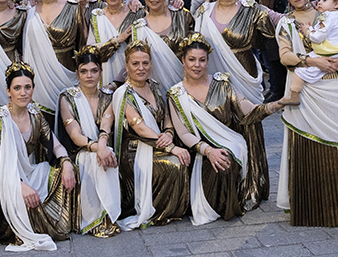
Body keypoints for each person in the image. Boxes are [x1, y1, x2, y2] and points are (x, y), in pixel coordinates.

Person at [168, 35, 284, 225]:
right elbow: (182, 133)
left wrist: (274, 106)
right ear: (183, 61)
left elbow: (244, 106)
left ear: (207, 61)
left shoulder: (222, 83)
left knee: (224, 162)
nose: (197, 65)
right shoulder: (175, 93)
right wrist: (208, 151)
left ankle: (227, 204)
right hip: (198, 148)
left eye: (202, 60)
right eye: (191, 59)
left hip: (230, 143)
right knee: (215, 164)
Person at [275, 0, 338, 227]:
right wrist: (311, 61)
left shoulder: (331, 14)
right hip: (304, 90)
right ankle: (308, 208)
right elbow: (285, 57)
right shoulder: (286, 24)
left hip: (333, 87)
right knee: (305, 146)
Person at [194, 0, 275, 206]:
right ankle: (225, 188)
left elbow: (278, 25)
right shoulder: (203, 11)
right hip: (214, 75)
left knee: (248, 124)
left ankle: (252, 186)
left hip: (243, 73)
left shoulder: (250, 9)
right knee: (223, 126)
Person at [0, 62, 75, 250]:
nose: (23, 93)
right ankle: (37, 224)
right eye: (17, 88)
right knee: (21, 199)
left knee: (64, 173)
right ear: (8, 91)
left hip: (27, 174)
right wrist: (19, 185)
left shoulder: (35, 114)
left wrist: (67, 164)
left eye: (27, 87)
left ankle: (58, 222)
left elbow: (56, 146)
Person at [113, 42, 189, 229]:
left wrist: (170, 133)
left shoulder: (154, 86)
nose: (141, 68)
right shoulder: (123, 93)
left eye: (145, 63)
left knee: (187, 155)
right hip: (135, 151)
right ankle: (163, 212)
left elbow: (166, 116)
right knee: (174, 163)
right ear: (127, 66)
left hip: (158, 142)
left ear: (151, 65)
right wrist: (170, 147)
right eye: (135, 64)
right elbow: (138, 127)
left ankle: (174, 209)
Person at [58, 48, 120, 238]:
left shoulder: (108, 96)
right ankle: (93, 219)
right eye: (84, 71)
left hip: (103, 146)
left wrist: (102, 146)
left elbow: (107, 125)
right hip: (78, 152)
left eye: (94, 70)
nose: (89, 75)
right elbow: (76, 136)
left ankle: (108, 216)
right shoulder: (67, 97)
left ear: (101, 72)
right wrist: (98, 148)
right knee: (96, 158)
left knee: (107, 152)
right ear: (77, 74)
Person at [21, 0, 85, 122]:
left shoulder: (73, 8)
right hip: (37, 80)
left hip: (67, 77)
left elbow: (82, 45)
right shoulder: (27, 10)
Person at [283, 0, 338, 106]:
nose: (319, 2)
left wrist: (307, 32)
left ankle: (293, 95)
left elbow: (318, 37)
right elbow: (284, 57)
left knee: (300, 72)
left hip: (330, 61)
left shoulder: (326, 17)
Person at [129, 0, 194, 91]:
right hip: (151, 93)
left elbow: (196, 51)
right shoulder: (139, 25)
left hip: (184, 90)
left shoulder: (182, 16)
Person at [88, 0, 138, 85]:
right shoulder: (97, 16)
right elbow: (92, 51)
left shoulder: (135, 13)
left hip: (131, 78)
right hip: (103, 78)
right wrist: (118, 40)